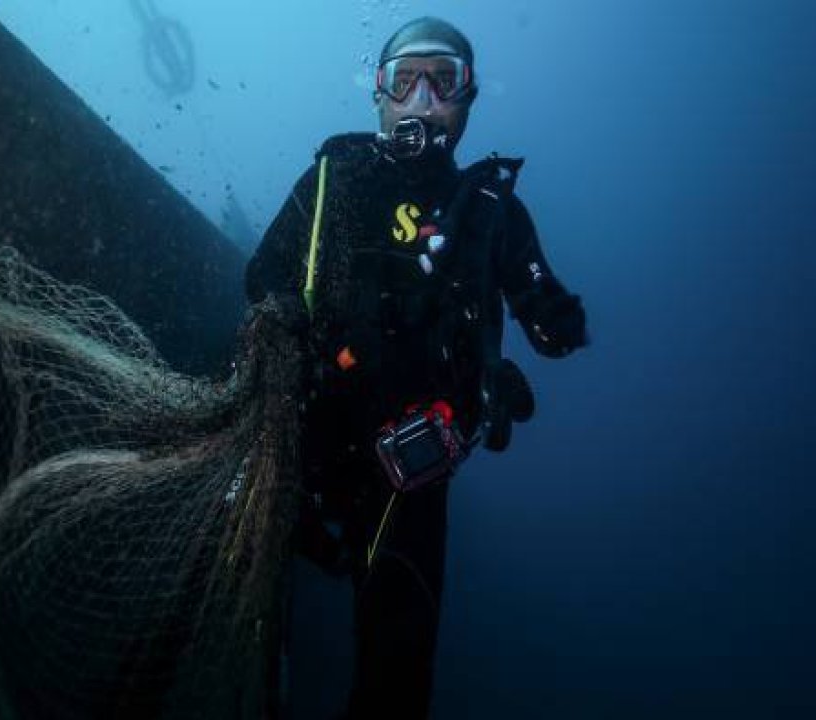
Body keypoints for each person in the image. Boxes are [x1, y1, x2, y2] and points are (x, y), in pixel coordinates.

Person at [245, 17, 589, 718]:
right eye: (405, 81)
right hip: (299, 439)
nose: (423, 100)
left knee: (396, 679)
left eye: (443, 81)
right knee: (240, 616)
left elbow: (551, 326)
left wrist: (546, 325)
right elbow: (263, 277)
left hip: (411, 477)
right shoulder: (335, 178)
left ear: (468, 99)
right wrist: (294, 333)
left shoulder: (493, 212)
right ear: (378, 94)